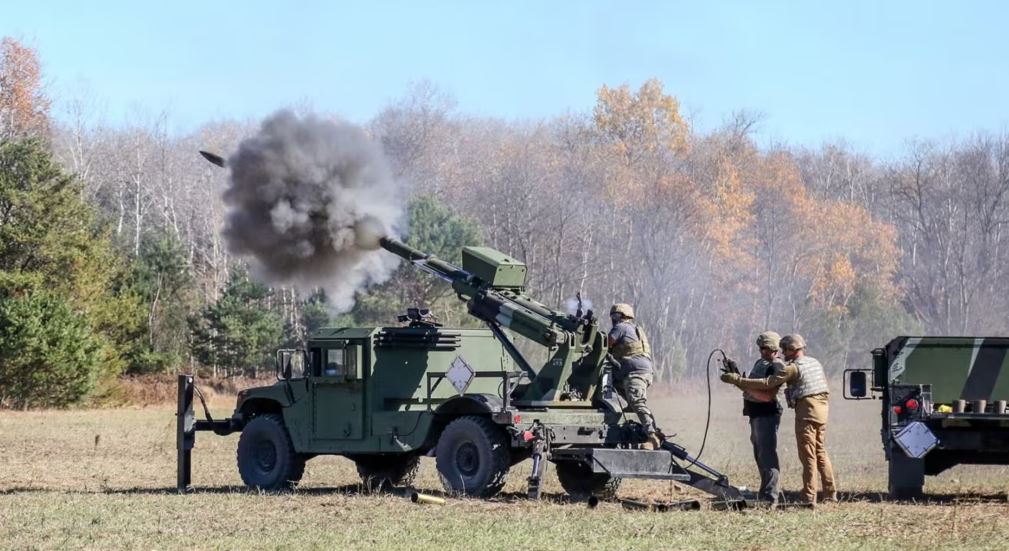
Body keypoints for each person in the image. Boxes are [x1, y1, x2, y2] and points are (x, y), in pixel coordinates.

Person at [721, 333, 837, 505]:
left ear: (792, 349)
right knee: (819, 451)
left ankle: (808, 497)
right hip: (821, 410)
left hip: (807, 411)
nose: (782, 353)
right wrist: (740, 380)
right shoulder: (814, 362)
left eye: (784, 350)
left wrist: (739, 380)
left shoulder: (790, 368)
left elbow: (768, 385)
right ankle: (830, 493)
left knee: (808, 455)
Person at [722, 331, 786, 504]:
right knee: (759, 454)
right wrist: (737, 379)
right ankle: (765, 493)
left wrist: (738, 381)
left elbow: (766, 396)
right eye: (761, 348)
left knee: (767, 454)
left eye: (766, 348)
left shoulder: (777, 367)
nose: (762, 351)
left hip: (767, 413)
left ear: (775, 349)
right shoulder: (761, 363)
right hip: (755, 413)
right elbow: (750, 389)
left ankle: (770, 496)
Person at [607, 303, 661, 450]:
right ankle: (650, 428)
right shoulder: (634, 329)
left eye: (615, 316)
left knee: (637, 401)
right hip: (640, 372)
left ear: (623, 317)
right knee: (611, 385)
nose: (613, 319)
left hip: (634, 372)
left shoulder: (621, 327)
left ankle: (653, 436)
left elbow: (605, 344)